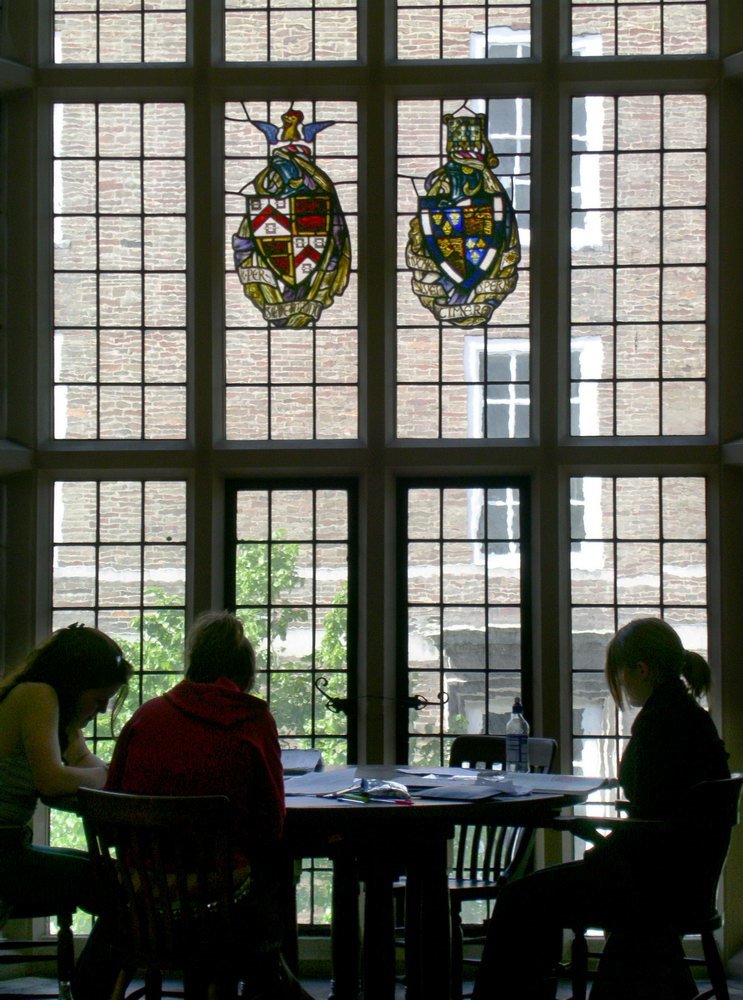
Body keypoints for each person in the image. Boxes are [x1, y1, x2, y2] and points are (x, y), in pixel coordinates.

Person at [470, 617, 730, 1000]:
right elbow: (661, 809)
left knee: (519, 899)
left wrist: (586, 828)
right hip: (679, 882)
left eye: (621, 675)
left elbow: (651, 814)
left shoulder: (661, 725)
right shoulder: (690, 717)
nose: (621, 685)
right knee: (534, 894)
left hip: (647, 885)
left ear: (641, 669)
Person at [105, 610, 313, 1000]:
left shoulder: (147, 716)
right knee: (274, 875)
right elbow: (271, 825)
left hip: (143, 899)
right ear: (244, 669)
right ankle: (269, 981)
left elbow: (114, 805)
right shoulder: (251, 720)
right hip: (221, 903)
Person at [0, 623, 132, 985]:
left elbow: (99, 773)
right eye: (99, 697)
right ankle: (92, 992)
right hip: (2, 854)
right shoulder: (37, 695)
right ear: (75, 682)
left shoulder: (57, 715)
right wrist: (112, 774)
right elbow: (52, 780)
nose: (103, 710)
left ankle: (90, 990)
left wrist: (112, 775)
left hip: (10, 848)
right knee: (119, 887)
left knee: (114, 879)